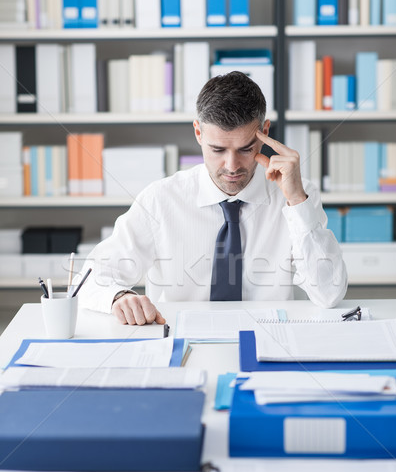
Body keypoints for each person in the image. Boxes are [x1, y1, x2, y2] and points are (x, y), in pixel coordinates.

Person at [78, 71, 347, 325]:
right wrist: (119, 297)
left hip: (269, 342)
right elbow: (88, 280)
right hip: (180, 342)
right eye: (218, 149)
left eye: (245, 149)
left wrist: (297, 202)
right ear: (198, 133)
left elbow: (329, 294)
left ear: (264, 131)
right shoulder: (160, 200)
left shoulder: (297, 195)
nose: (232, 166)